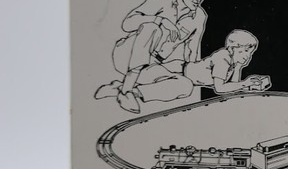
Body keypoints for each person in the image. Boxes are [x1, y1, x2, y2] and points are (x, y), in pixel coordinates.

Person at [94, 0, 210, 112]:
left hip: (152, 64)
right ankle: (126, 90)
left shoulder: (199, 16)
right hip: (126, 55)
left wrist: (192, 72)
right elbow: (127, 24)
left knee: (186, 86)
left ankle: (125, 90)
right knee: (151, 28)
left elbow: (192, 51)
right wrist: (160, 20)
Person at [96, 29, 263, 109]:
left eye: (250, 53)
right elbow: (220, 88)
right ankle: (121, 89)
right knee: (177, 85)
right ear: (233, 48)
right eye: (245, 51)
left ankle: (121, 89)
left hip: (181, 74)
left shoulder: (232, 63)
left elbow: (230, 88)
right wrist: (245, 84)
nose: (248, 56)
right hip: (176, 69)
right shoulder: (223, 58)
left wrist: (240, 69)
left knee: (183, 86)